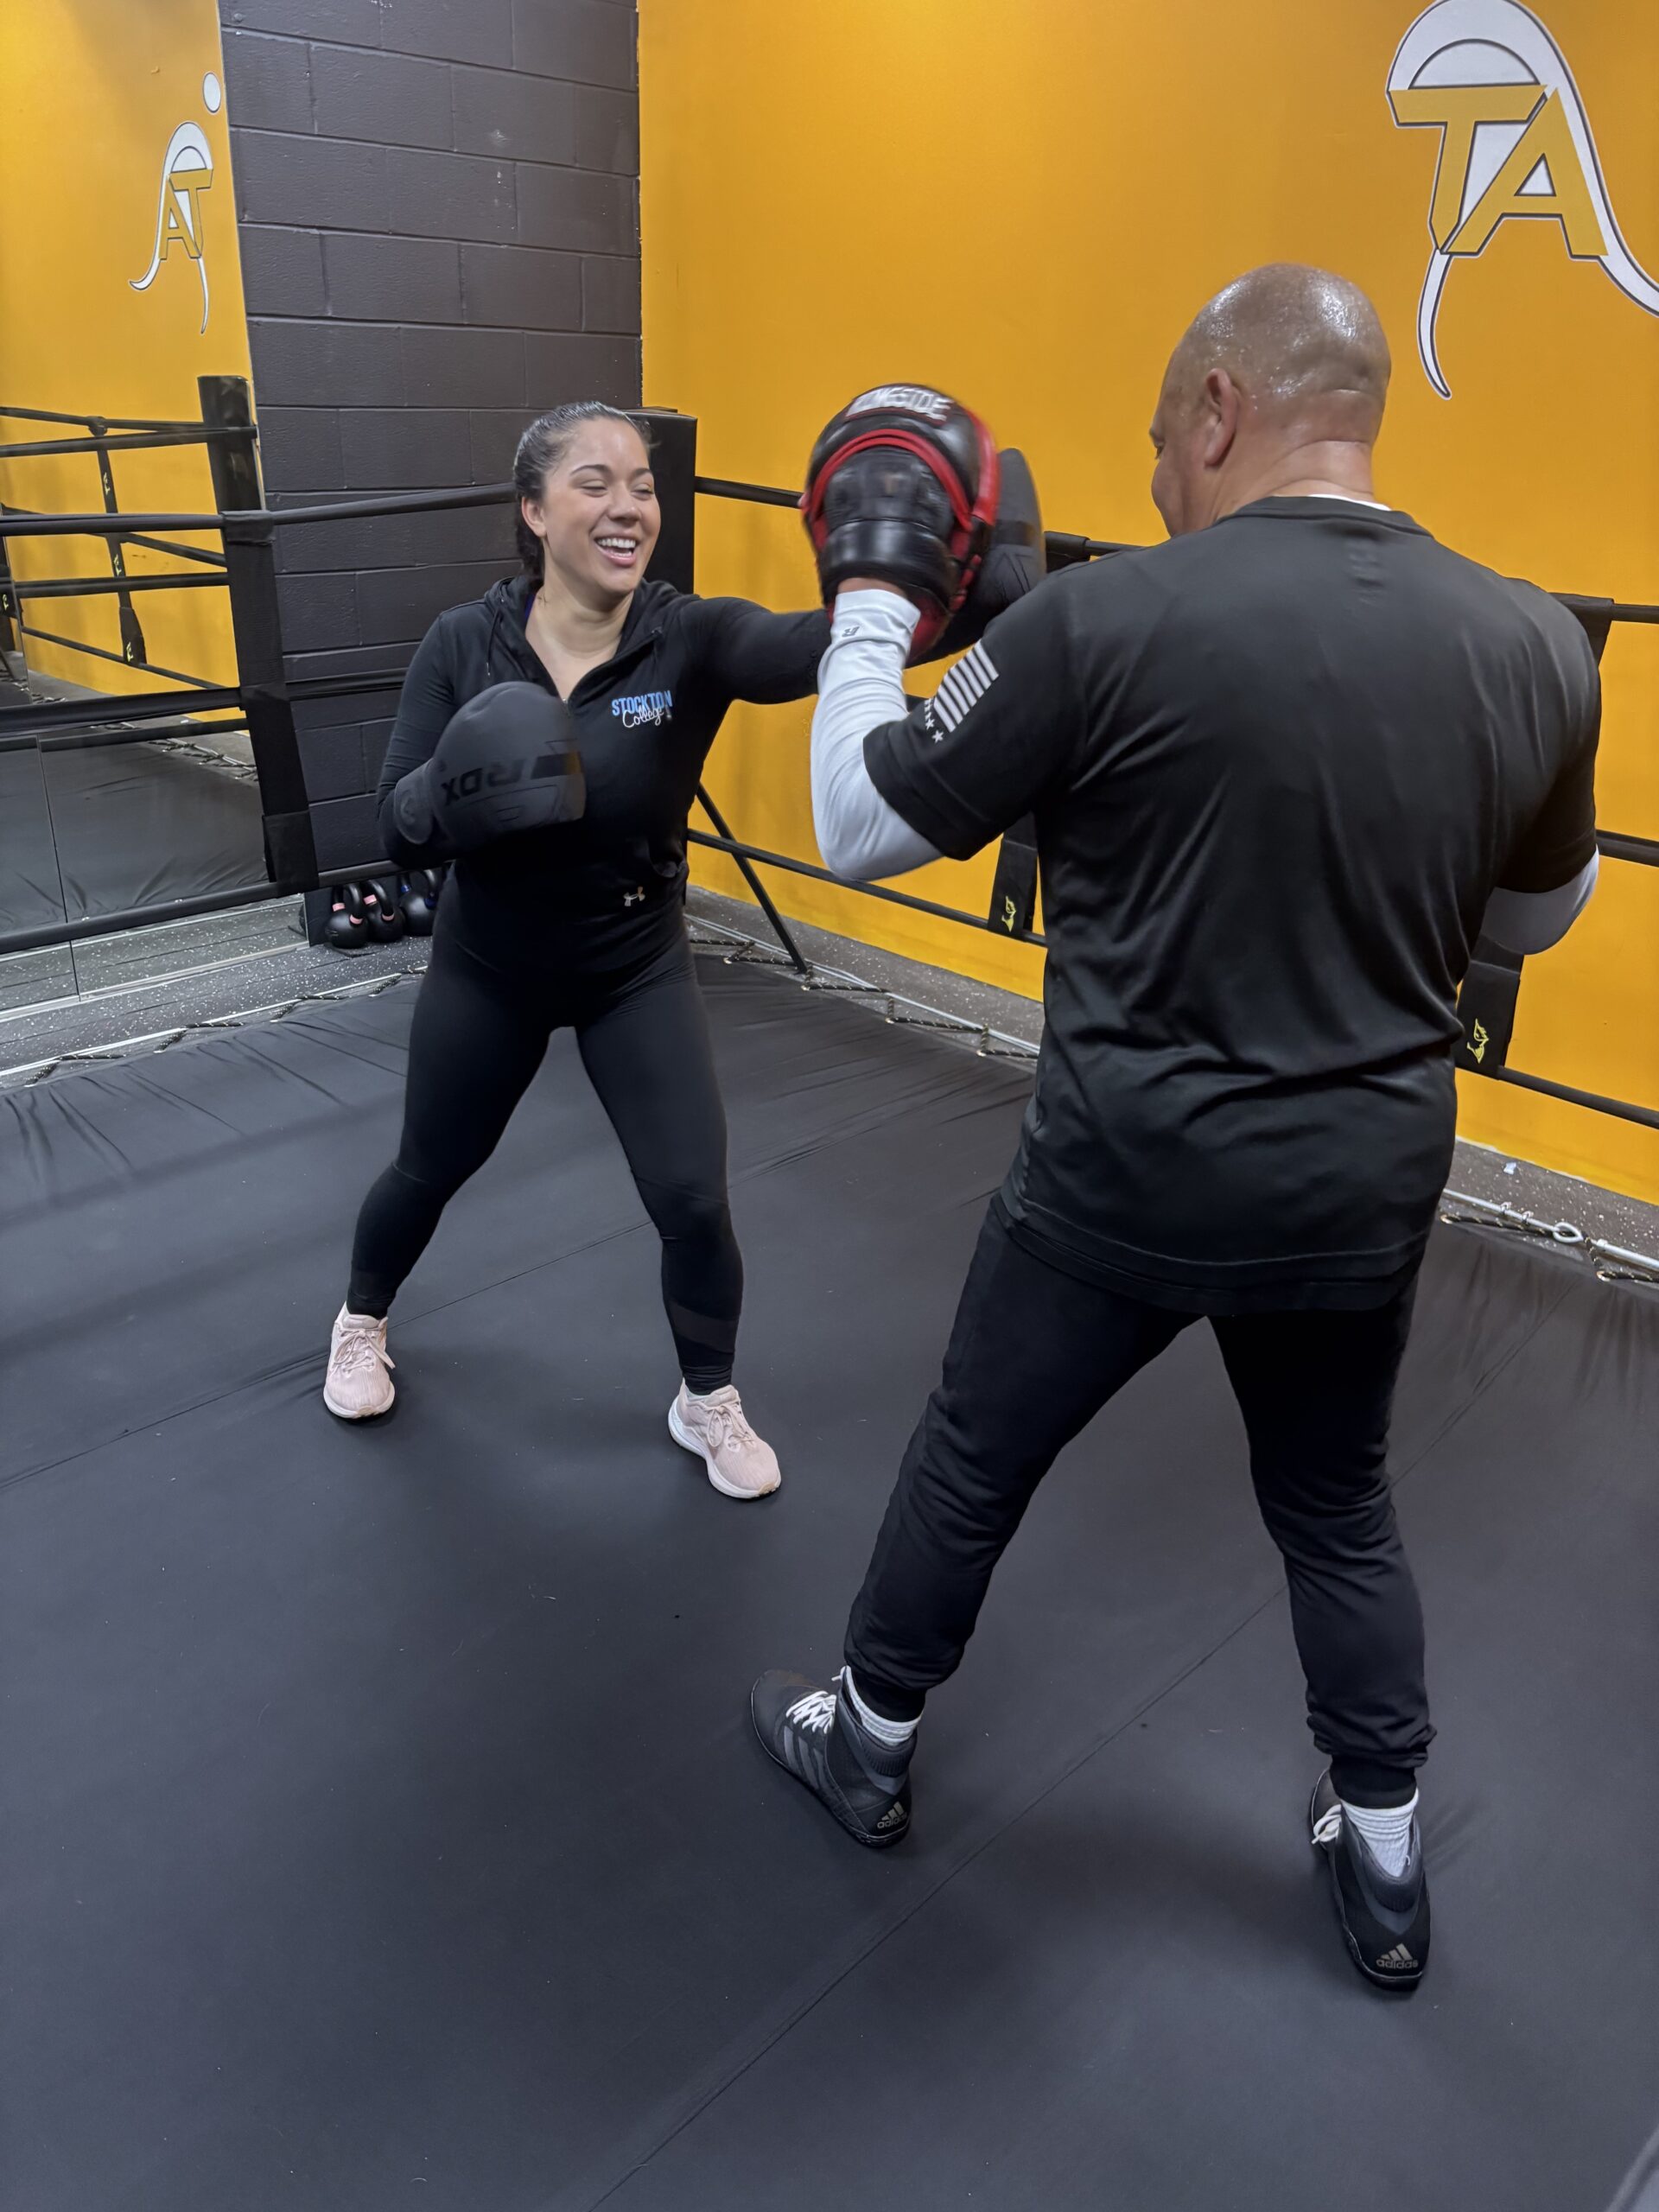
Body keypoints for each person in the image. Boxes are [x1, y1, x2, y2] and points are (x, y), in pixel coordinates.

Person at [751, 266, 1602, 1988]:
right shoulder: (1531, 643)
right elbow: (1538, 921)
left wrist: (867, 600)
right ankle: (1380, 1850)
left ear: (1218, 409)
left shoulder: (1105, 622)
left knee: (977, 1455)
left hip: (1119, 1176)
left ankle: (875, 1737)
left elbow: (854, 821)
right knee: (1339, 1505)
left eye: (1160, 439)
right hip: (1354, 1191)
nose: (1151, 481)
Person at [321, 401, 832, 1498]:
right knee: (430, 1164)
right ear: (534, 507)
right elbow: (393, 829)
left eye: (643, 485)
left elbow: (802, 648)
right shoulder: (465, 642)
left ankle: (707, 1400)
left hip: (631, 963)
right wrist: (468, 776)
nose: (628, 506)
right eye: (596, 482)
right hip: (491, 962)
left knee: (693, 1197)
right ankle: (361, 1321)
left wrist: (922, 593)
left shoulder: (685, 636)